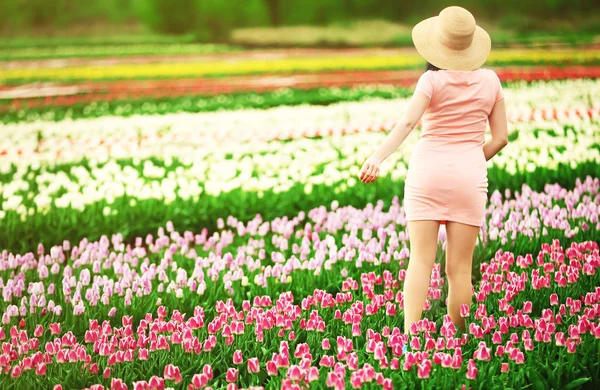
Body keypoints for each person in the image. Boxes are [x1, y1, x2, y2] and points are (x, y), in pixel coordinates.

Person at [358, 6, 509, 337]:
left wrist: (377, 157)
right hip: (470, 179)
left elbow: (408, 122)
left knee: (420, 262)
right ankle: (458, 341)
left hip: (427, 174)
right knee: (459, 269)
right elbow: (500, 139)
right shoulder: (491, 81)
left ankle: (411, 341)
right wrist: (469, 160)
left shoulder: (431, 79)